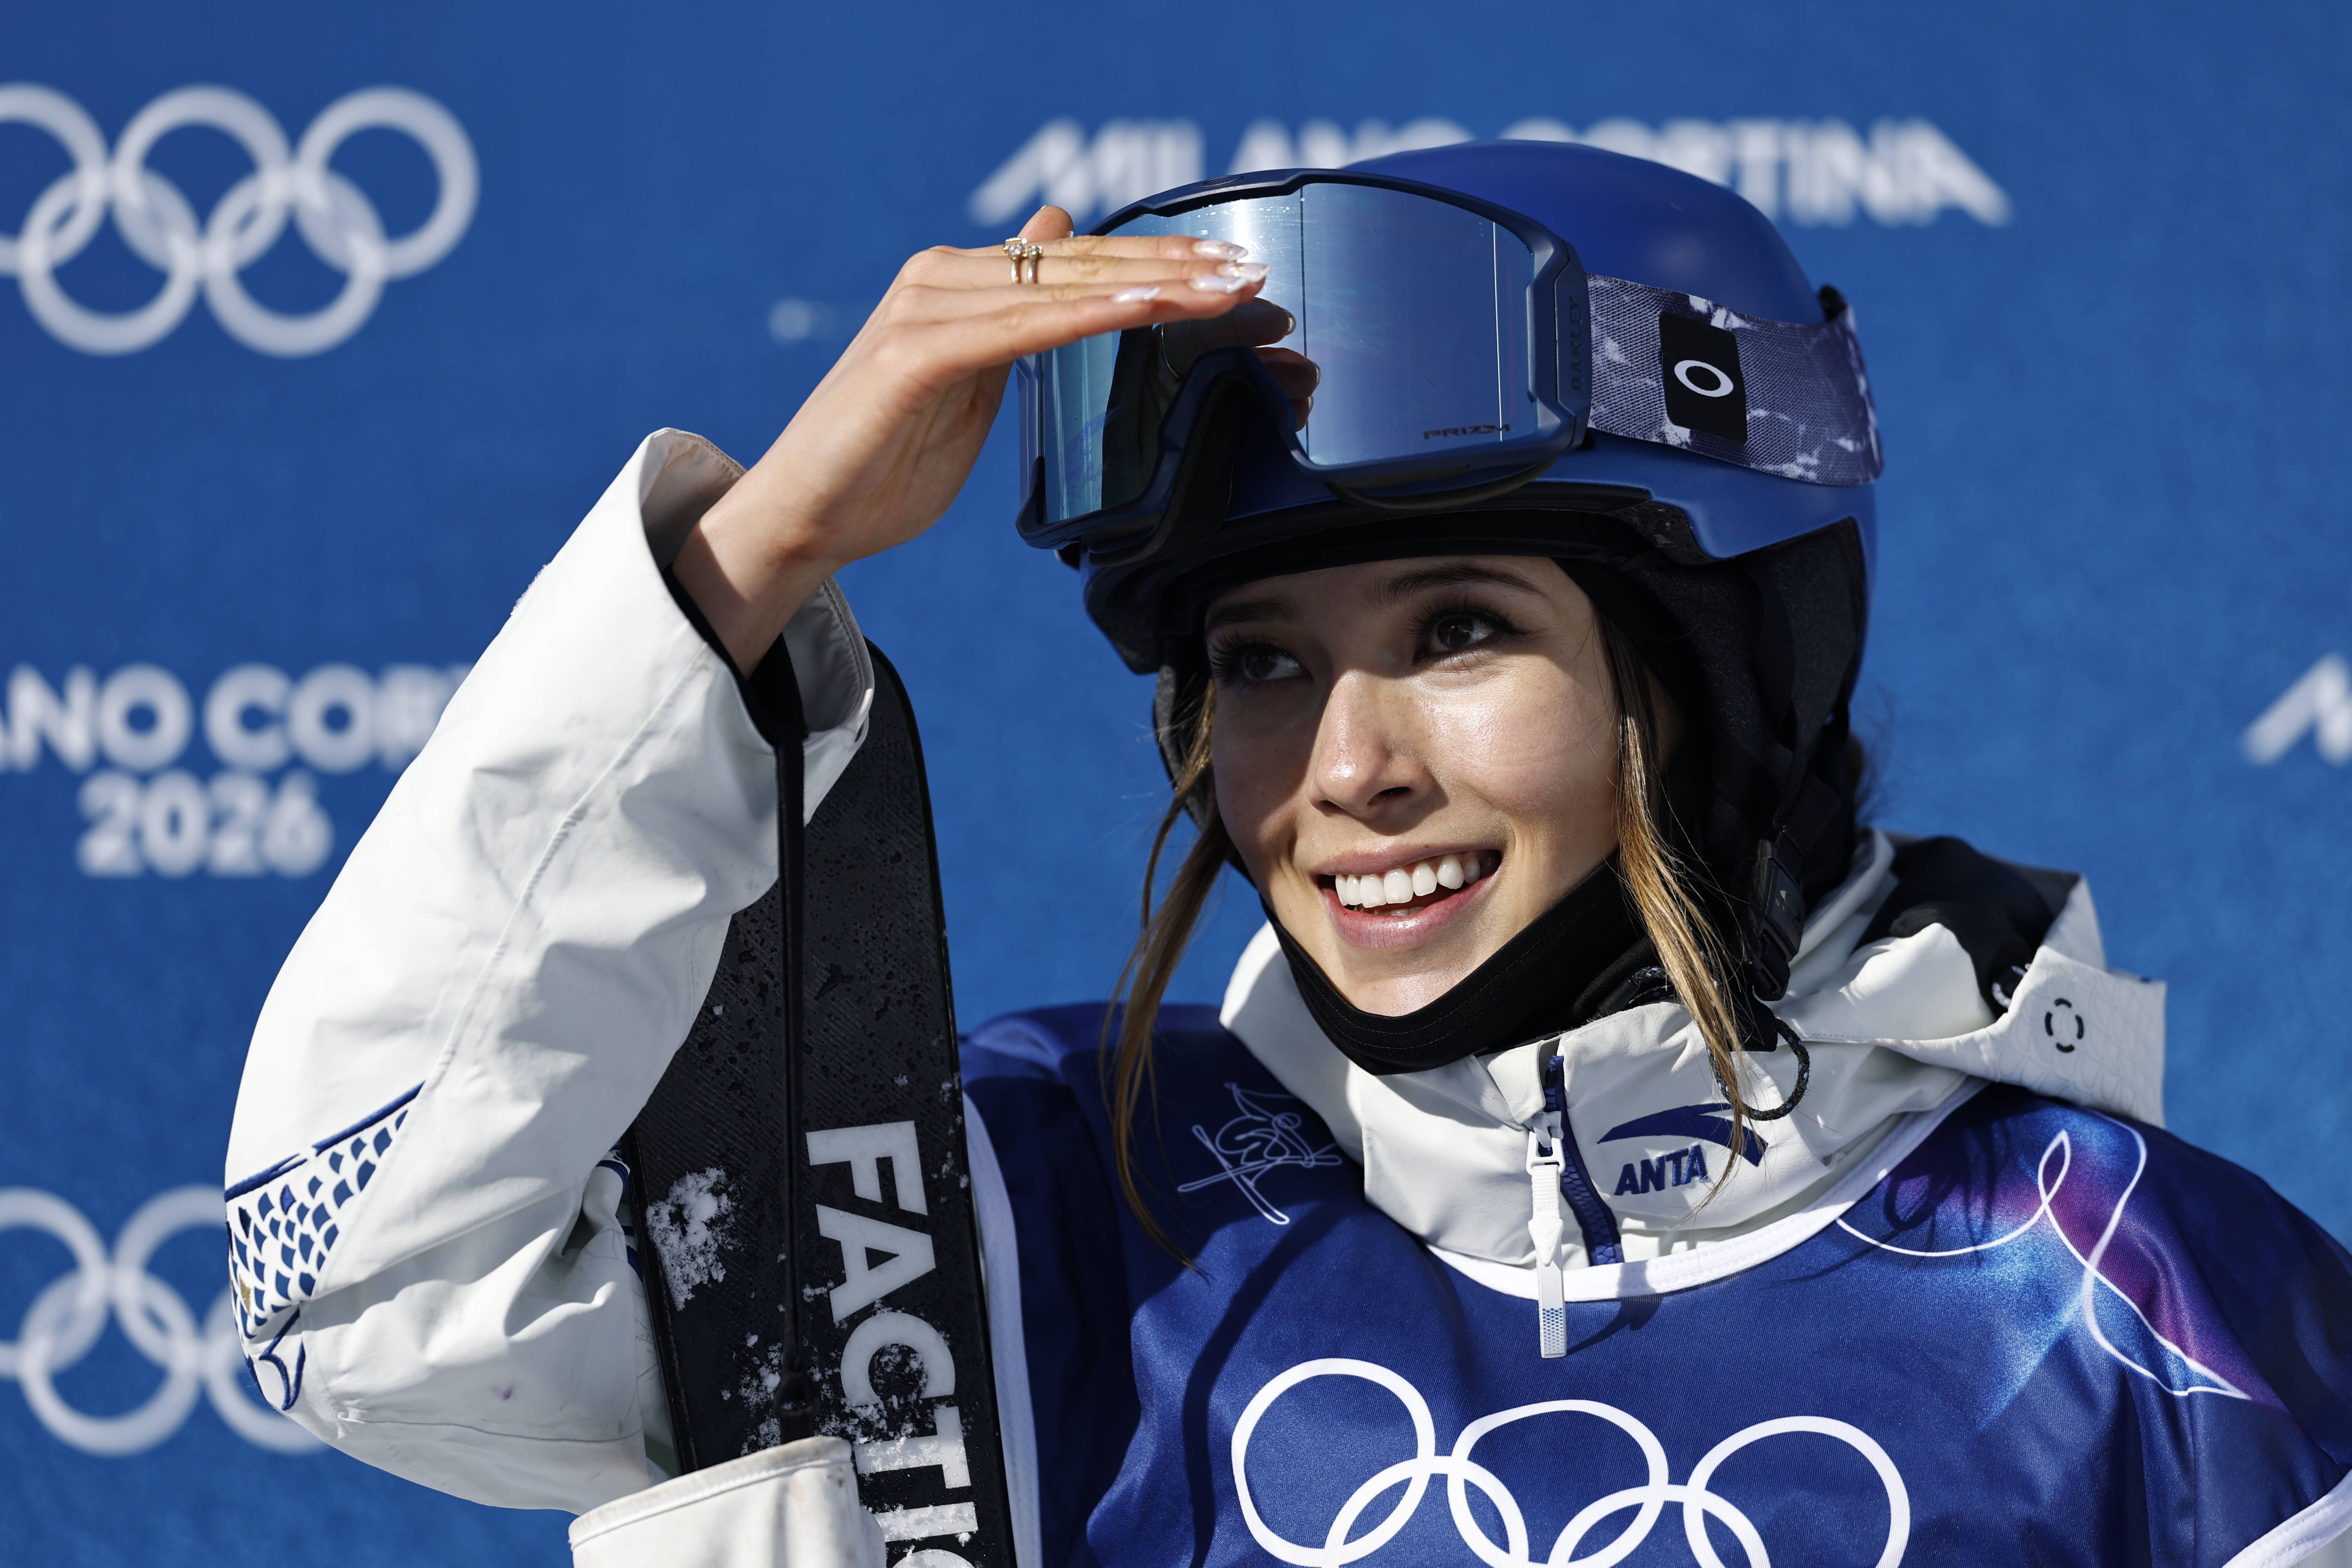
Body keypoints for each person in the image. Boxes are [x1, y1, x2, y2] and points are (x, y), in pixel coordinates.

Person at [223, 142, 2352, 1566]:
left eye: (1460, 635)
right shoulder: (1037, 1211)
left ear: (1712, 669)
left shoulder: (2142, 1302)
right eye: (1260, 662)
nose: (1345, 766)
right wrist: (742, 566)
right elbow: (358, 1292)